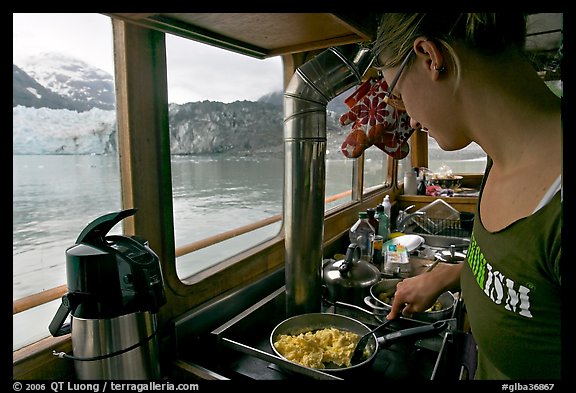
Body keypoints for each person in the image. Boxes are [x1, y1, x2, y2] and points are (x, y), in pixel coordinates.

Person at [372, 13, 562, 380]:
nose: (409, 117)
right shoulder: (501, 158)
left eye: (397, 93)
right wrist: (452, 275)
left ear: (430, 58)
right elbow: (525, 282)